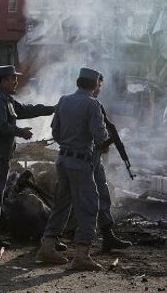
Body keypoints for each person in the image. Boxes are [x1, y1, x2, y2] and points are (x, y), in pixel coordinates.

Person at [0, 65, 55, 250]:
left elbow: (26, 110)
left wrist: (51, 109)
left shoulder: (6, 100)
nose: (16, 81)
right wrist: (21, 132)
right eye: (12, 78)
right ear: (2, 81)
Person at [36, 67, 108, 271]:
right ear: (94, 85)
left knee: (61, 204)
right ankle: (82, 255)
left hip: (63, 159)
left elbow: (55, 132)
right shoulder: (93, 104)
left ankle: (47, 246)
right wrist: (104, 144)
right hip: (80, 162)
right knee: (88, 205)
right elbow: (99, 136)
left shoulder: (64, 100)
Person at [90, 78, 132, 253]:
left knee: (102, 194)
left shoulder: (69, 102)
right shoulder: (93, 105)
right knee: (87, 200)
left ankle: (107, 236)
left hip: (90, 158)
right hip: (86, 159)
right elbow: (101, 139)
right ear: (93, 85)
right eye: (99, 85)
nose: (100, 89)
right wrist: (107, 142)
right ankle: (80, 249)